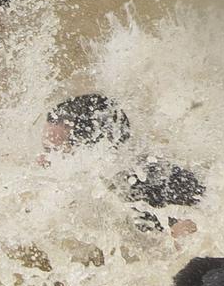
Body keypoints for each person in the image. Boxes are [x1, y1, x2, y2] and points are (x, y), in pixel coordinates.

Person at [43, 94, 205, 237]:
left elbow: (193, 233)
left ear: (97, 148)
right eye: (46, 150)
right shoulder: (109, 186)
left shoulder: (145, 184)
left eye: (55, 151)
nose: (42, 160)